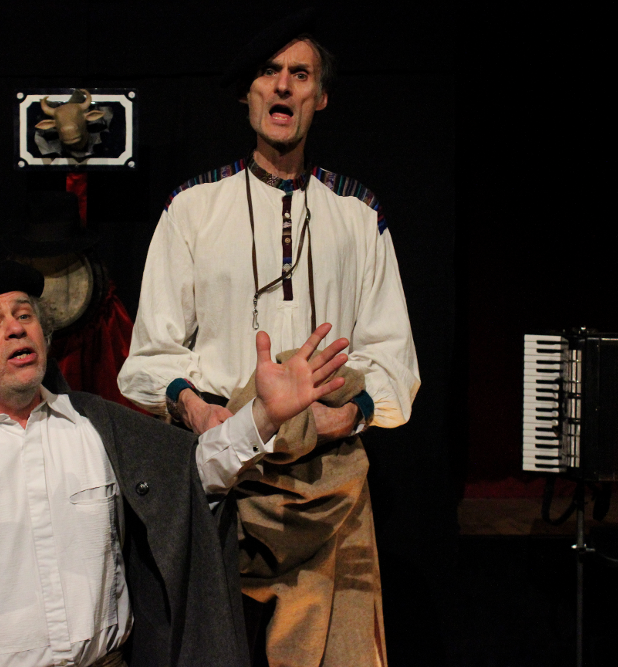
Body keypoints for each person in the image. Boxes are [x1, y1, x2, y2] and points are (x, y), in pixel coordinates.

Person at [0, 260, 351, 667]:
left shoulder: (97, 426)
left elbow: (194, 475)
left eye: (25, 316)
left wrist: (265, 415)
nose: (16, 329)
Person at [117, 11, 420, 667]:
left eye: (300, 74)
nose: (283, 85)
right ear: (247, 93)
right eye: (269, 72)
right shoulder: (193, 208)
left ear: (321, 96)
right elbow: (150, 355)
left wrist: (349, 414)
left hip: (330, 487)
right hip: (224, 475)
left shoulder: (358, 214)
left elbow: (392, 356)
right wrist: (197, 409)